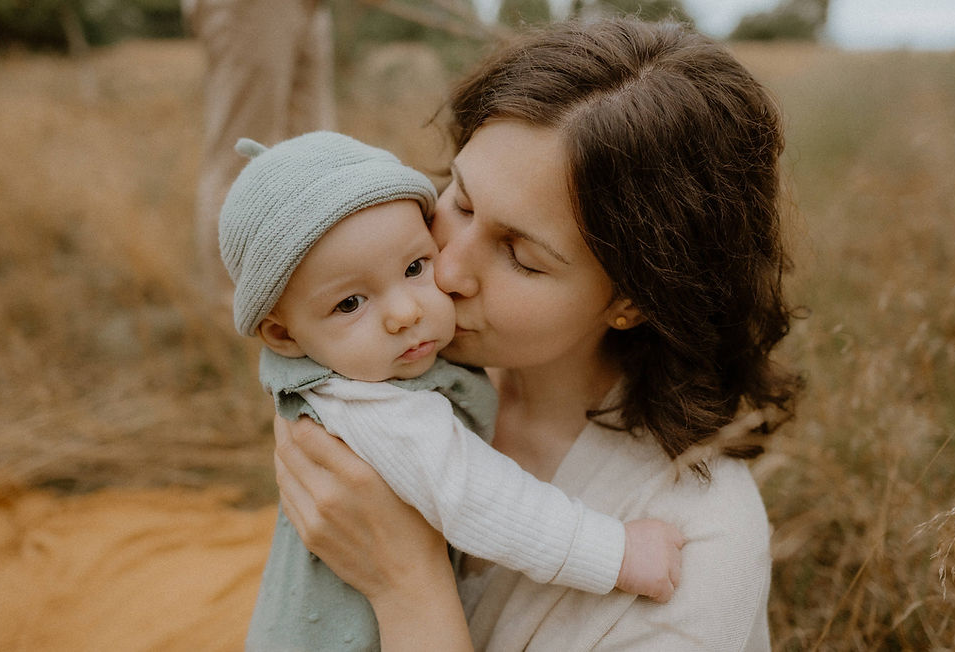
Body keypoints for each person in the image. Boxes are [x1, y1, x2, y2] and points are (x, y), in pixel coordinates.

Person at [270, 16, 803, 651]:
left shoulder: (701, 542)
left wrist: (407, 586)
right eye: (461, 202)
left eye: (521, 255)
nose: (447, 268)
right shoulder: (399, 372)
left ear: (634, 300)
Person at [217, 131, 686, 650]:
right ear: (282, 335)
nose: (405, 313)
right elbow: (478, 496)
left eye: (415, 267)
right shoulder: (375, 408)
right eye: (350, 303)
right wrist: (615, 553)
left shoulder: (356, 363)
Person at [183, 0, 337, 310]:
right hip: (249, 7)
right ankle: (234, 305)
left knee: (318, 150)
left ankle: (304, 288)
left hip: (309, 8)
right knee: (241, 153)